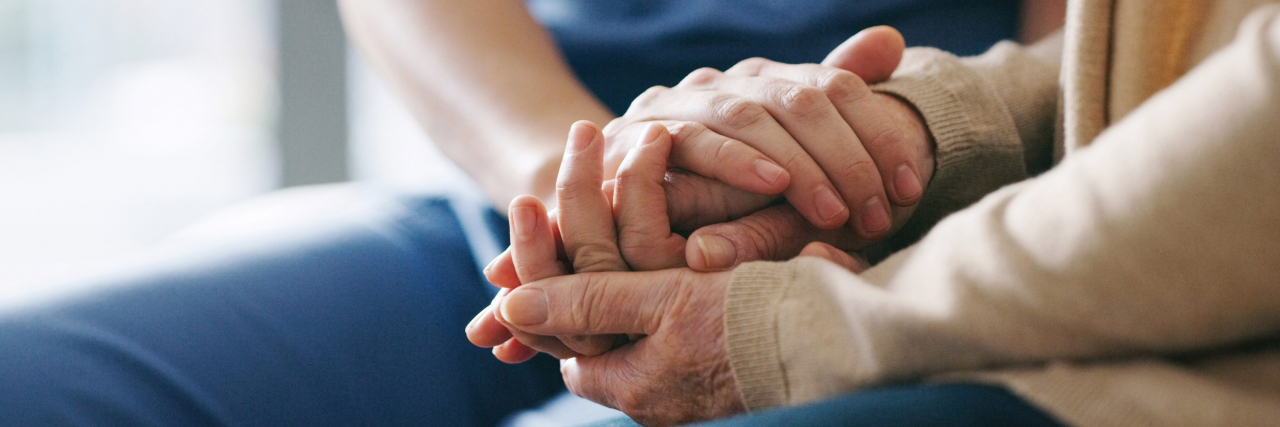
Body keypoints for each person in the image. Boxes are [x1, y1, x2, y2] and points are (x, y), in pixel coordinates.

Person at [0, 1, 1058, 427]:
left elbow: (1107, 71)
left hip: (900, 229)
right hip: (512, 207)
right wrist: (574, 176)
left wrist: (893, 175)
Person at [486, 1, 1280, 426]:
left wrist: (799, 327)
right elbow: (1175, 47)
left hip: (1203, 369)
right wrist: (914, 130)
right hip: (617, 168)